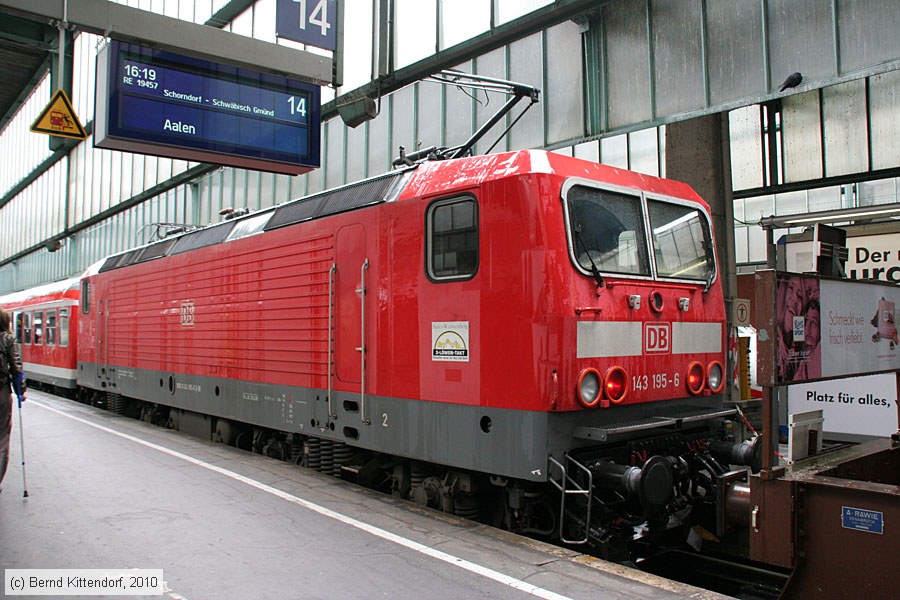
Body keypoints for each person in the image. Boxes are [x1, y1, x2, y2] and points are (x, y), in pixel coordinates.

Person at [1, 308, 26, 493]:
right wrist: (20, 391)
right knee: (2, 439)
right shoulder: (8, 339)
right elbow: (16, 368)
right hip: (1, 393)